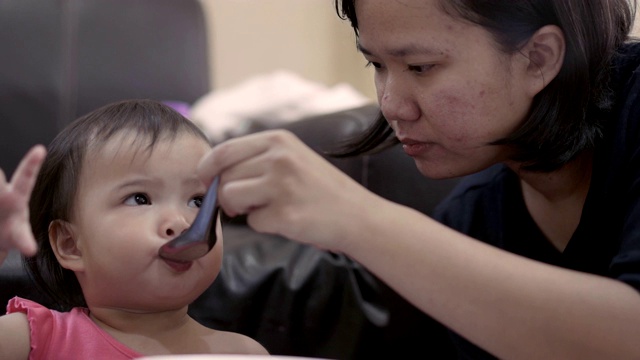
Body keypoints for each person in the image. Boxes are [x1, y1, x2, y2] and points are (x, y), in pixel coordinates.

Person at [195, 0, 640, 358]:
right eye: (377, 65)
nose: (391, 105)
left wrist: (360, 219)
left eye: (420, 67)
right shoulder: (474, 218)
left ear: (538, 58)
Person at [0, 99, 268, 359]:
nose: (180, 222)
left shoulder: (242, 353)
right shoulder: (35, 338)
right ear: (71, 244)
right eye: (140, 198)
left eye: (198, 201)